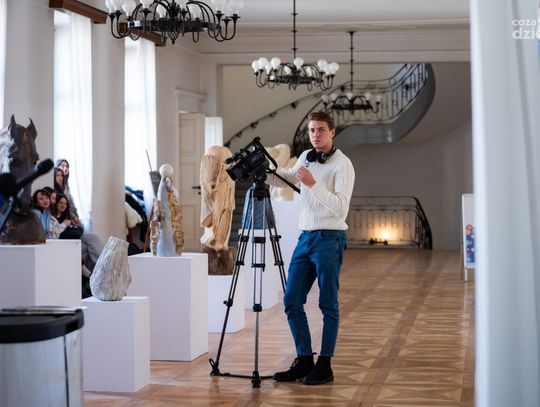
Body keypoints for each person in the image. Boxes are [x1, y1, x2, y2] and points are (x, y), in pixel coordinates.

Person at [268, 111, 355, 385]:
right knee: (291, 300)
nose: (315, 134)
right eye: (311, 130)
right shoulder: (306, 156)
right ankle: (304, 359)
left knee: (327, 303)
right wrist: (262, 172)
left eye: (320, 130)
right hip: (305, 238)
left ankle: (325, 364)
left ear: (332, 132)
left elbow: (340, 207)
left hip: (330, 238)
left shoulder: (343, 165)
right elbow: (286, 178)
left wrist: (312, 183)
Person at [55, 159, 81, 225]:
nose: (65, 168)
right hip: (62, 217)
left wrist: (76, 215)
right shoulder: (56, 186)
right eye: (62, 166)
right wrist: (73, 217)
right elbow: (64, 203)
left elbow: (70, 201)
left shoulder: (66, 184)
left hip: (69, 215)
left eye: (67, 166)